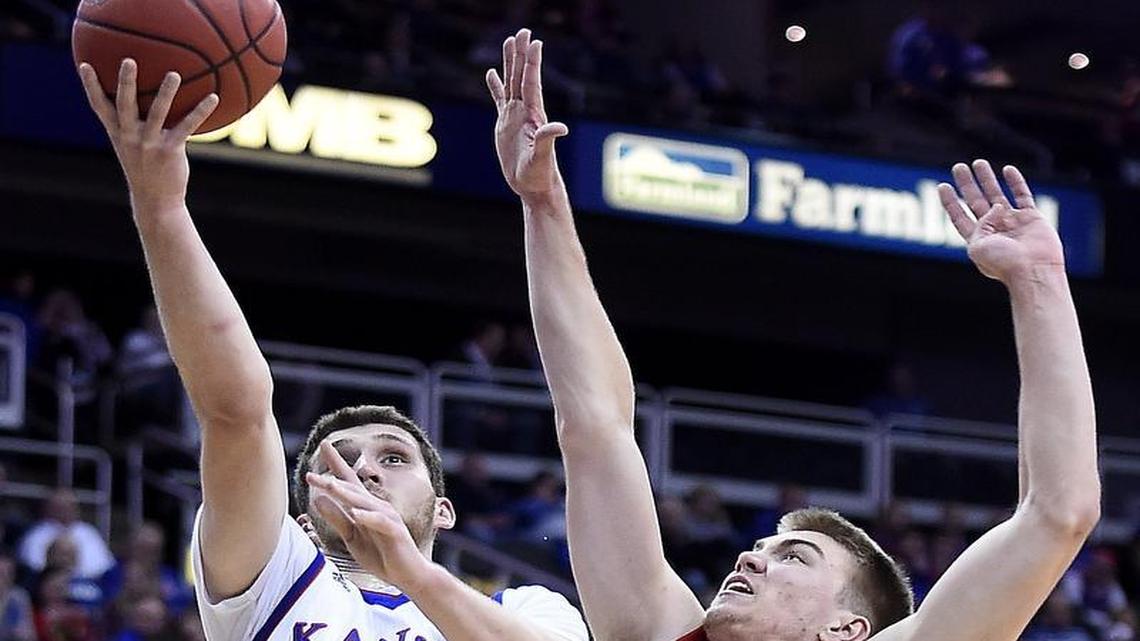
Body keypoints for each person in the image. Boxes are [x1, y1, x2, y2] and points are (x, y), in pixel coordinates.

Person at [488, 26, 1100, 641]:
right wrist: (542, 204)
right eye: (768, 547)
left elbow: (1059, 513)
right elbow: (593, 425)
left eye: (793, 557)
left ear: (846, 630)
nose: (750, 558)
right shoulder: (660, 629)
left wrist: (1040, 281)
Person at [76, 59, 587, 641]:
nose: (364, 468)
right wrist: (160, 206)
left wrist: (411, 573)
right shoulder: (278, 576)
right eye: (336, 465)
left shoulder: (531, 610)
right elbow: (236, 411)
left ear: (445, 510)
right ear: (303, 520)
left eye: (393, 458)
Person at [18, 489, 113, 580]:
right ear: (48, 507)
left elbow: (106, 565)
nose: (65, 510)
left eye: (70, 506)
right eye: (60, 506)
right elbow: (32, 566)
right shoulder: (37, 533)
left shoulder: (88, 531)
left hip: (90, 584)